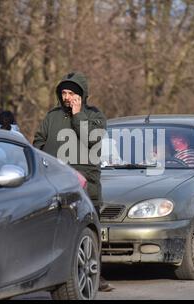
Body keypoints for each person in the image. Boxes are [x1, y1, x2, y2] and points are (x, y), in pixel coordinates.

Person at [33, 72, 113, 292]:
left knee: (88, 231)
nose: (68, 97)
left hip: (87, 185)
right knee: (56, 229)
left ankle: (94, 273)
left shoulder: (95, 115)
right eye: (64, 93)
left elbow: (93, 139)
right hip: (54, 185)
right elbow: (38, 142)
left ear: (82, 95)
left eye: (72, 93)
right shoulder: (52, 117)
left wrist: (78, 115)